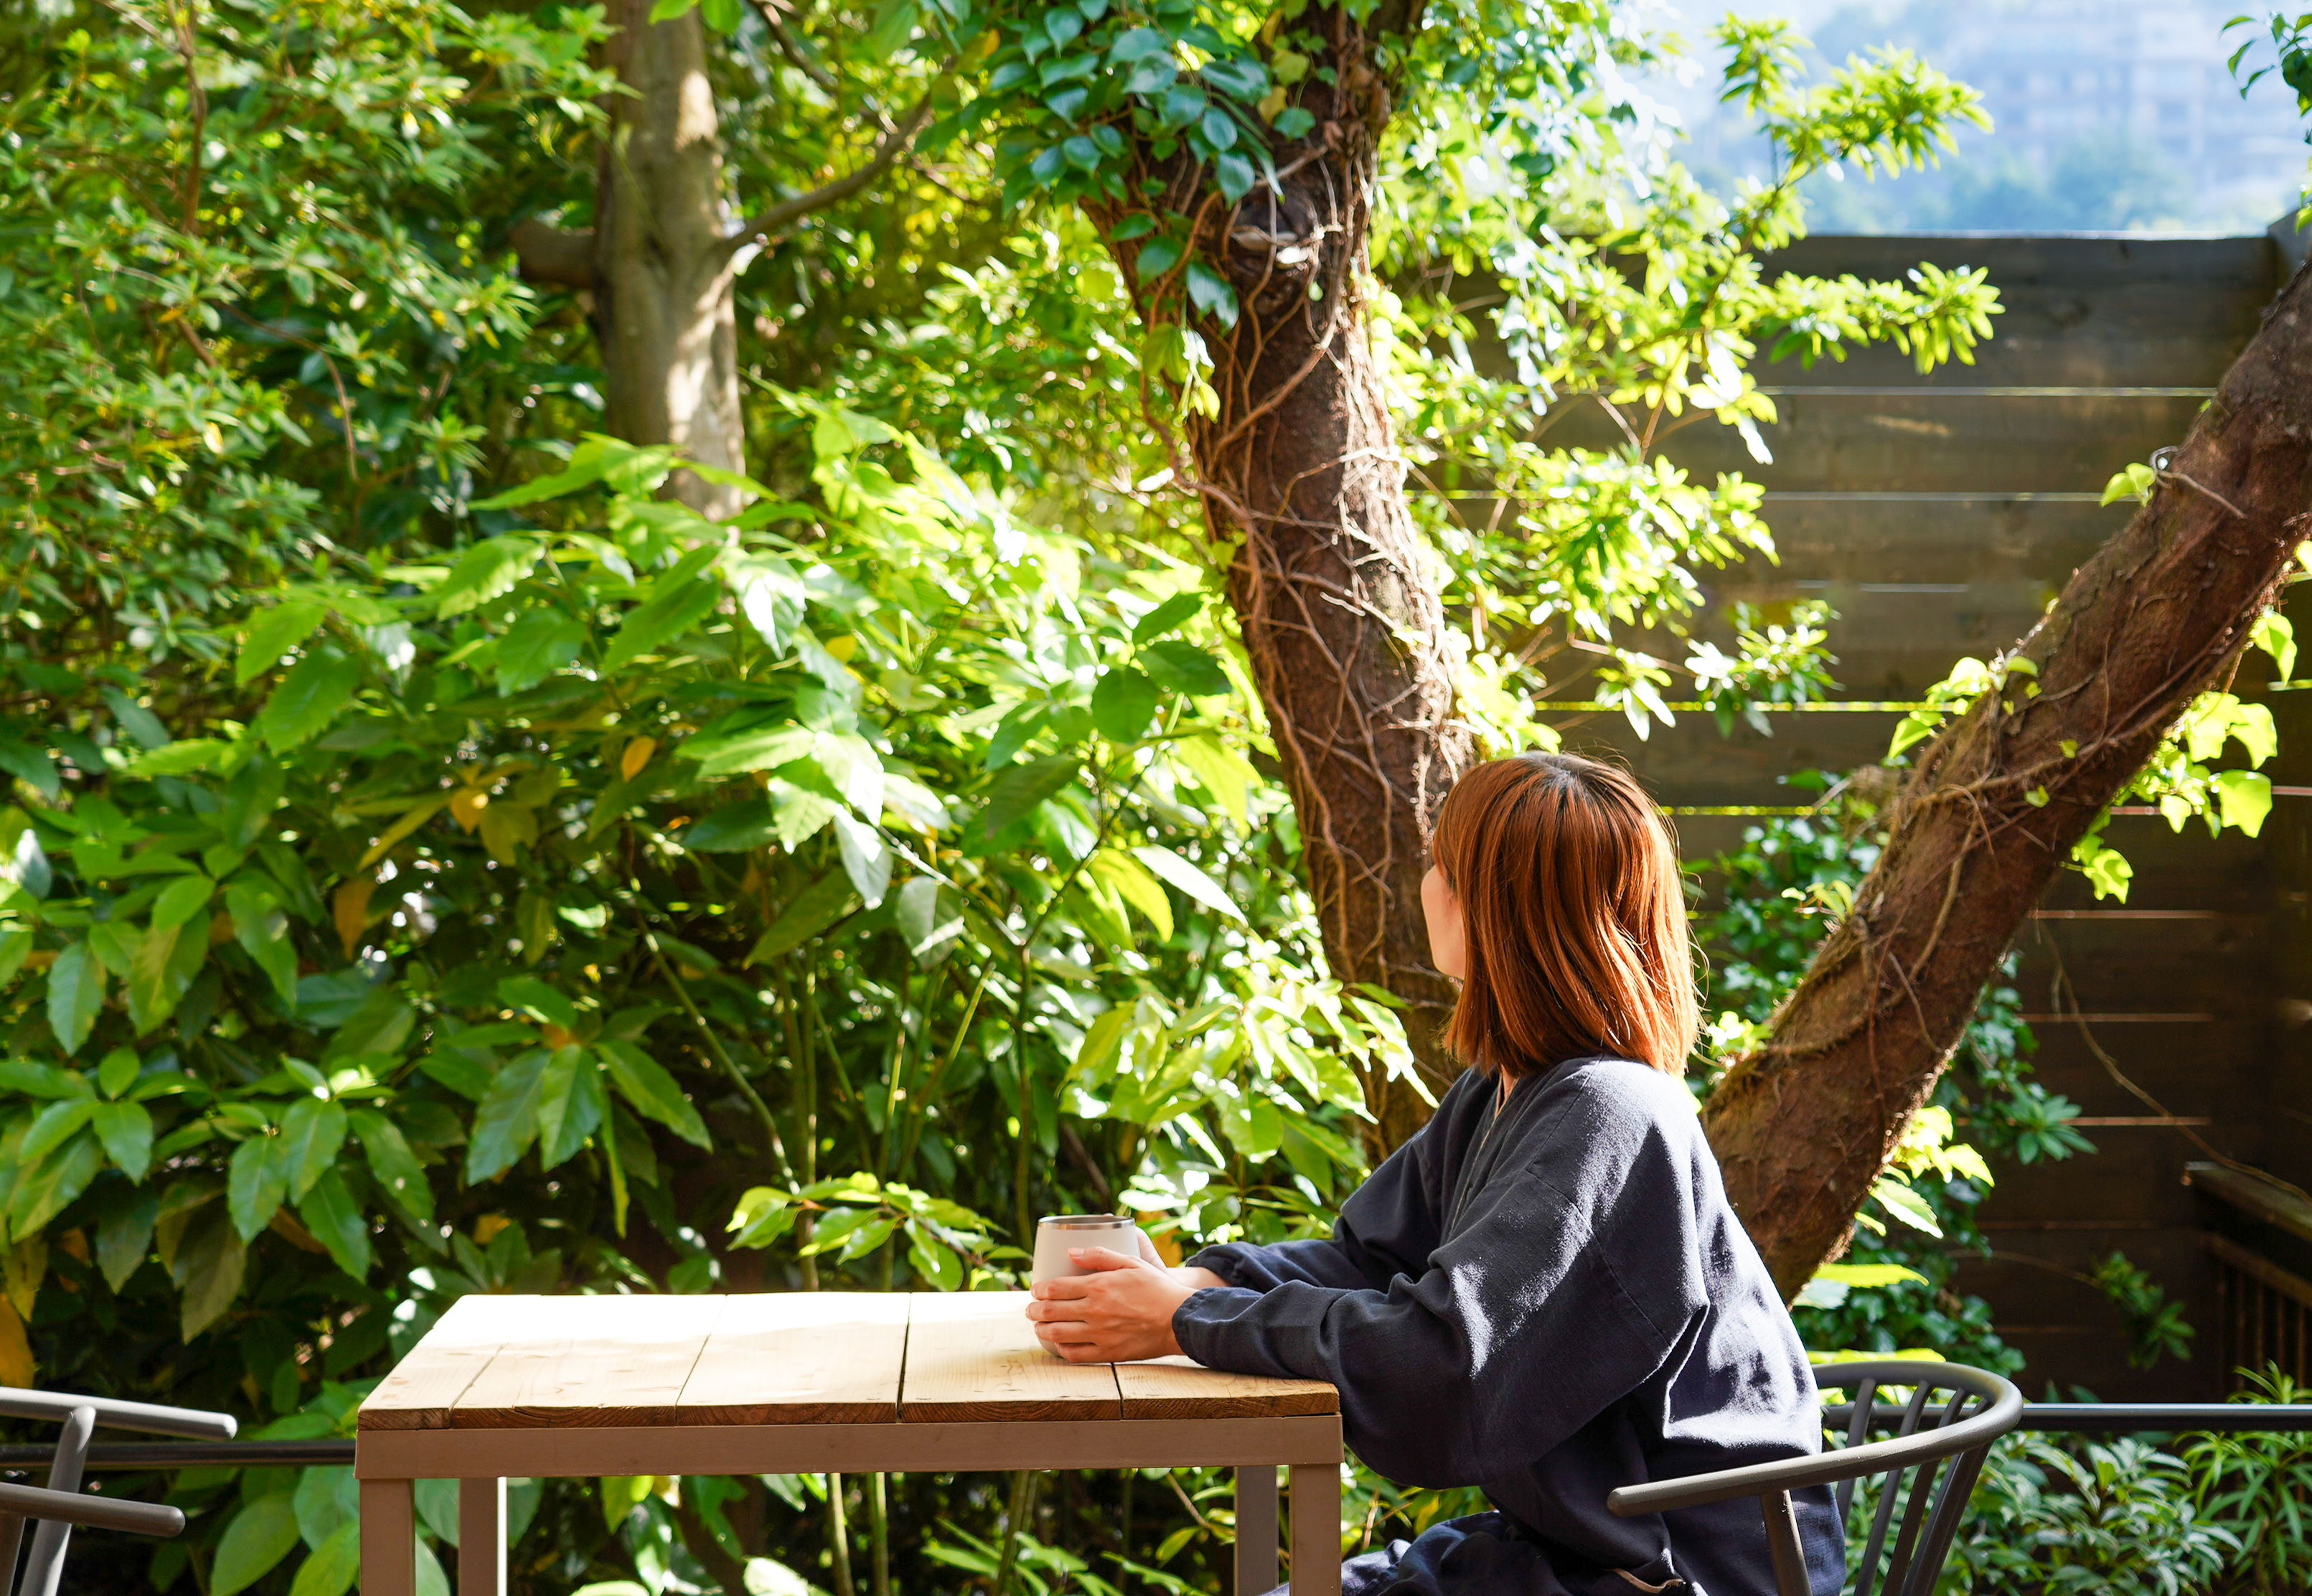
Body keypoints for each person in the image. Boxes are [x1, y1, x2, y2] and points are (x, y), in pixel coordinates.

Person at [1024, 751, 1844, 1596]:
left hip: (1664, 1576)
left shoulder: (1612, 1115)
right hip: (1563, 1548)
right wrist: (1201, 1278)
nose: (1427, 887)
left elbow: (1441, 1373)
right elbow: (1370, 1257)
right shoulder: (1504, 1090)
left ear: (1487, 909)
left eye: (1438, 866)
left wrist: (1194, 1319)